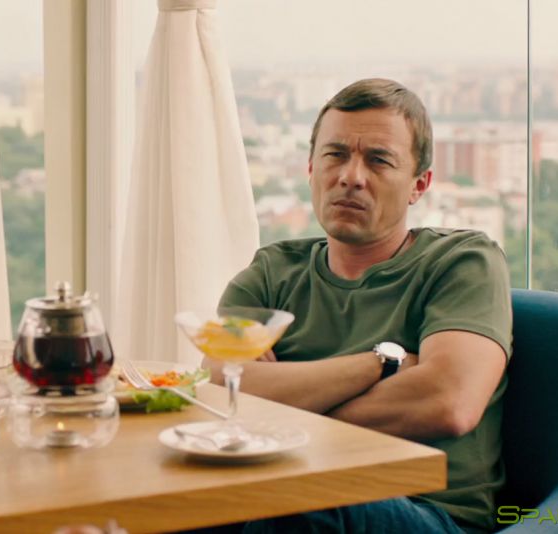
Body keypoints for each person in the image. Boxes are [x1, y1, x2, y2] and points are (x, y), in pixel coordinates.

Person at [211, 79, 511, 533]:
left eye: (379, 160)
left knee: (295, 497)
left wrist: (275, 415)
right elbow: (220, 386)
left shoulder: (462, 262)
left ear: (419, 184)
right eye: (335, 155)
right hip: (271, 493)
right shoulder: (271, 273)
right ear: (311, 168)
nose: (351, 176)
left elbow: (449, 402)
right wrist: (381, 365)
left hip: (426, 512)